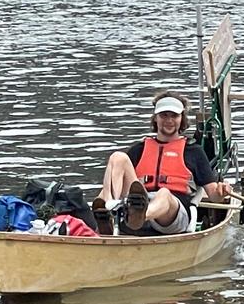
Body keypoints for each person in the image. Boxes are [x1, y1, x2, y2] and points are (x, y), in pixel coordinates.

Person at [94, 91, 233, 236]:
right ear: (155, 118)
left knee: (164, 194)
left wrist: (221, 192)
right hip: (138, 203)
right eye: (164, 115)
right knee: (118, 157)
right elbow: (115, 180)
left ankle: (139, 216)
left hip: (172, 214)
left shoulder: (194, 151)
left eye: (174, 116)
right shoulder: (139, 148)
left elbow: (213, 196)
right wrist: (104, 199)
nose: (169, 120)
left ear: (182, 119)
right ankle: (110, 209)